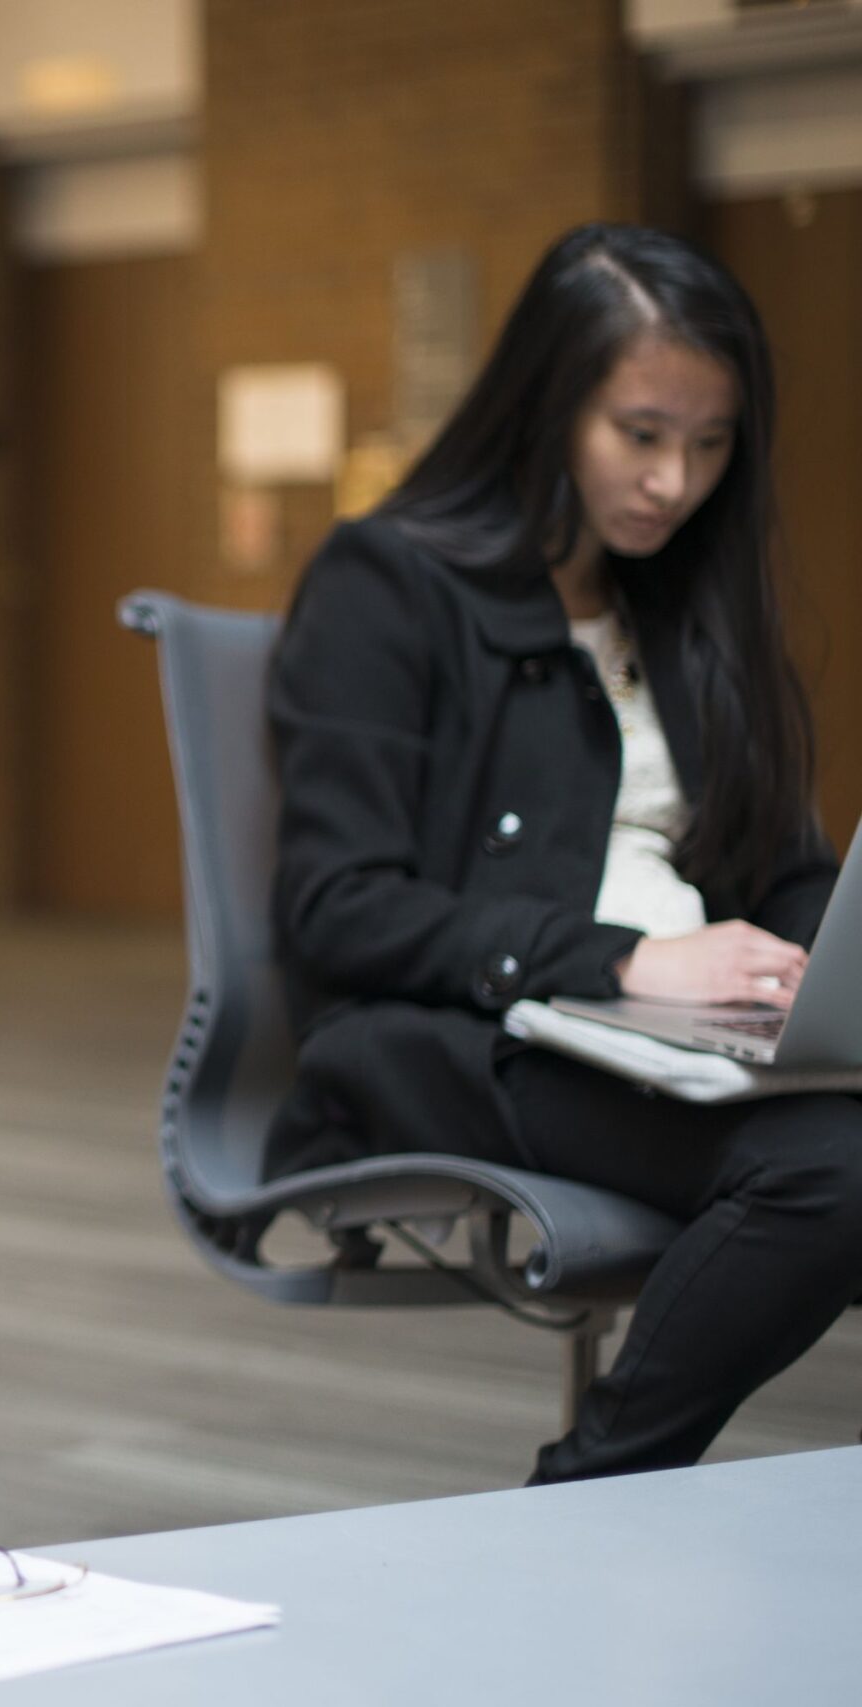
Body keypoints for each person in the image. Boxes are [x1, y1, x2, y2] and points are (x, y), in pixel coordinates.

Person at [267, 221, 862, 1484]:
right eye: (639, 435)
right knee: (831, 1171)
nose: (673, 481)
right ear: (546, 407)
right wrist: (633, 961)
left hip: (669, 1024)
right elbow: (339, 907)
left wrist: (814, 969)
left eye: (709, 445)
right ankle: (586, 1493)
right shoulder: (387, 583)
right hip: (464, 1026)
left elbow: (780, 865)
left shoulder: (686, 602)